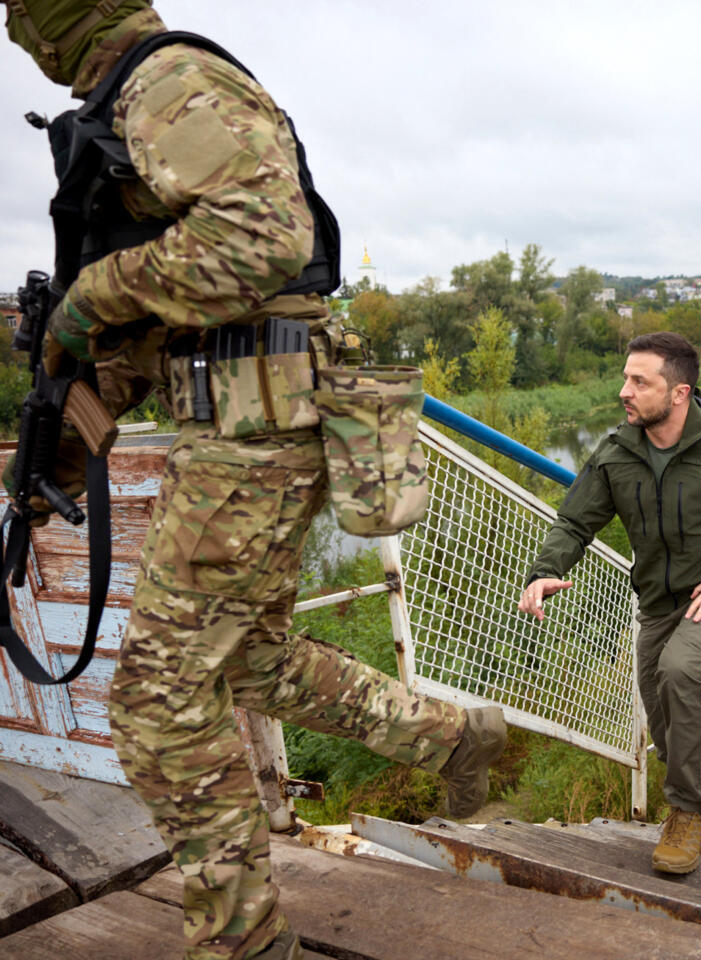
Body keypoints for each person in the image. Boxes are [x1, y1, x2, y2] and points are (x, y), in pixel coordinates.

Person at [4, 5, 506, 959]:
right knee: (252, 660)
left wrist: (88, 298)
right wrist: (52, 458)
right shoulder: (122, 101)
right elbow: (141, 333)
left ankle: (245, 942)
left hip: (255, 428)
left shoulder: (166, 77)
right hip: (238, 425)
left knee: (156, 702)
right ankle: (450, 738)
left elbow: (262, 237)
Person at [519, 331, 701, 876]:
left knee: (680, 672)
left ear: (678, 393)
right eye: (626, 377)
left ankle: (687, 813)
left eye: (638, 381)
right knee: (663, 714)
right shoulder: (616, 451)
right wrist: (546, 570)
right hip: (656, 599)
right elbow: (576, 521)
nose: (624, 390)